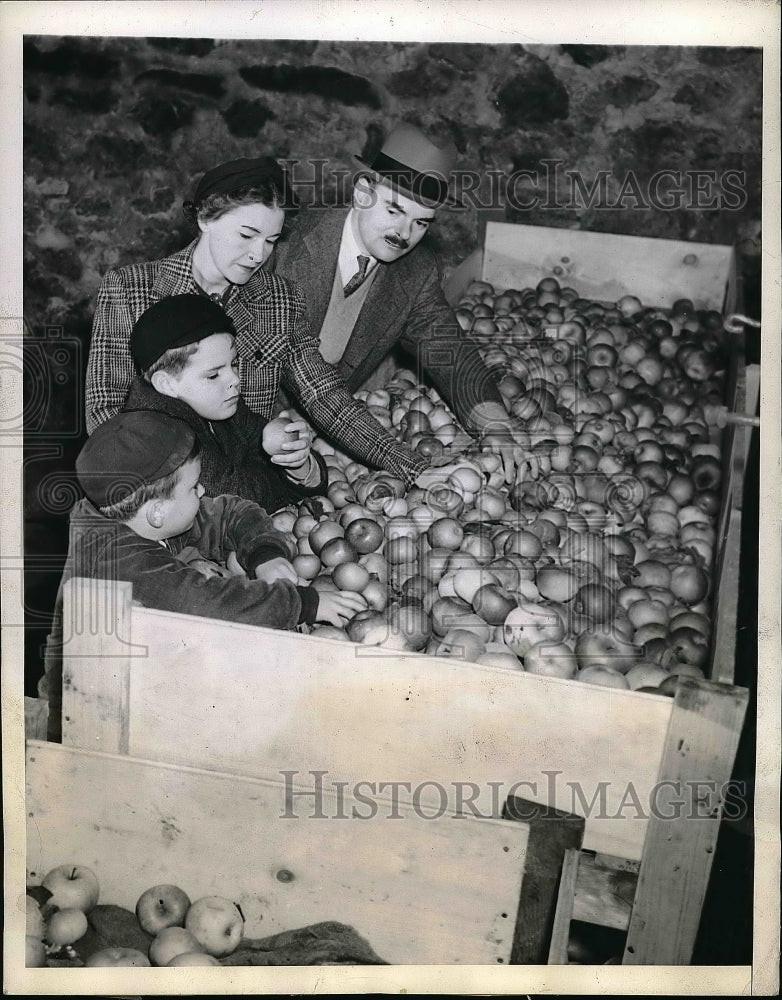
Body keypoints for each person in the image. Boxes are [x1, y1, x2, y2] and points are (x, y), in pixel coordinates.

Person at [84, 156, 426, 486]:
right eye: (247, 235)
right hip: (154, 496)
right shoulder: (129, 291)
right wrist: (175, 485)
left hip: (246, 499)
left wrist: (410, 467)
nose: (258, 255)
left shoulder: (279, 301)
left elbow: (324, 396)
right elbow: (105, 413)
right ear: (205, 217)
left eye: (271, 241)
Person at [39, 411, 367, 741]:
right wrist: (303, 603)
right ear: (157, 512)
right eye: (194, 487)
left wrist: (264, 554)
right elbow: (208, 604)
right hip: (89, 727)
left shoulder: (139, 515)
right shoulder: (117, 560)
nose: (203, 491)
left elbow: (229, 512)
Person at [272, 122, 524, 473]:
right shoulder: (290, 246)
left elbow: (448, 350)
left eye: (422, 223)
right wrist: (410, 466)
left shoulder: (414, 271)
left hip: (329, 434)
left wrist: (493, 423)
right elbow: (306, 377)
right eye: (394, 210)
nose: (404, 234)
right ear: (362, 193)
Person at [123, 292, 328, 513]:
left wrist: (298, 461)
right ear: (167, 384)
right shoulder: (162, 435)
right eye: (213, 375)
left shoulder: (216, 401)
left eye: (234, 364)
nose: (235, 379)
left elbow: (258, 445)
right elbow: (242, 500)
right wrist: (290, 474)